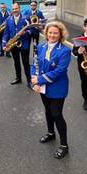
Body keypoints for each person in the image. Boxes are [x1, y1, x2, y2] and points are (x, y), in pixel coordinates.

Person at [31, 21, 72, 159]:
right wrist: (34, 80)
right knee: (48, 111)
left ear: (60, 34)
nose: (52, 35)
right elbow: (34, 64)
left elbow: (59, 71)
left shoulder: (65, 51)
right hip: (43, 86)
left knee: (56, 114)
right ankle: (50, 133)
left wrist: (39, 80)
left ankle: (64, 145)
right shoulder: (41, 46)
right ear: (46, 33)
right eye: (50, 32)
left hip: (57, 88)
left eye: (56, 33)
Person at [2, 3, 32, 88]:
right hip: (13, 44)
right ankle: (18, 78)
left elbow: (32, 31)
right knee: (16, 62)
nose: (14, 10)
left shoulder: (26, 18)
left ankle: (29, 81)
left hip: (24, 45)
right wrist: (4, 44)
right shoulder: (8, 20)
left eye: (16, 8)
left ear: (19, 8)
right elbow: (6, 33)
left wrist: (25, 32)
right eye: (13, 9)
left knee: (26, 63)